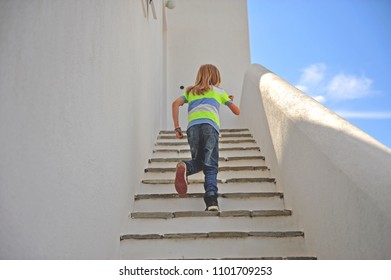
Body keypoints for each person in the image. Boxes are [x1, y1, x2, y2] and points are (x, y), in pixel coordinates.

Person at [171, 64, 240, 211]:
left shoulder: (190, 91)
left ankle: (186, 166)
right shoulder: (219, 91)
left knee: (199, 161)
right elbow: (237, 112)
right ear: (216, 77)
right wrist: (230, 100)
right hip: (210, 127)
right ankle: (211, 200)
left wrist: (177, 127)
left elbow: (175, 104)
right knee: (211, 165)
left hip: (193, 128)